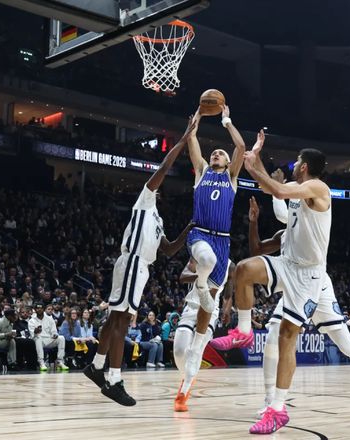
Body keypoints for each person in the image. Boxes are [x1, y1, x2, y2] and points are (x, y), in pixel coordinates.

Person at [210, 137, 350, 433]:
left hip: (312, 279)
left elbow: (277, 189)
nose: (292, 166)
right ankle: (261, 376)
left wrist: (255, 169)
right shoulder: (292, 204)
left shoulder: (318, 188)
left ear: (304, 166)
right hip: (290, 268)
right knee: (246, 273)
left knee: (343, 344)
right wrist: (256, 159)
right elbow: (272, 189)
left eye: (296, 162)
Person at [83, 119, 197, 406]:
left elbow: (168, 250)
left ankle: (96, 366)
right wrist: (183, 140)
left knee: (115, 318)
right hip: (133, 262)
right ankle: (114, 380)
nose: (159, 187)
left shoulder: (158, 219)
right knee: (122, 320)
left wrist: (189, 229)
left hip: (141, 267)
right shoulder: (145, 201)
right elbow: (164, 168)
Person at [182, 105, 247, 391]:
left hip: (222, 241)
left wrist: (227, 121)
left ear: (227, 161)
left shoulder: (231, 177)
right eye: (214, 153)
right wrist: (197, 115)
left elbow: (241, 146)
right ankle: (200, 286)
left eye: (220, 153)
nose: (216, 154)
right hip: (199, 234)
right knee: (205, 261)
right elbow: (191, 138)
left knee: (205, 313)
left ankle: (194, 360)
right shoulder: (201, 171)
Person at [172, 258, 234, 411]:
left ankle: (184, 392)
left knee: (197, 350)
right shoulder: (199, 255)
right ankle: (188, 376)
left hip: (211, 311)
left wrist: (226, 310)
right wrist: (203, 273)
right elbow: (183, 277)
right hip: (191, 307)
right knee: (179, 351)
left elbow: (228, 294)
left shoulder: (230, 265)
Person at [29, 302, 68, 371]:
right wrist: (35, 332)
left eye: (41, 308)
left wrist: (55, 335)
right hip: (38, 340)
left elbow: (54, 331)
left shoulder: (50, 319)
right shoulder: (31, 320)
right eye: (37, 308)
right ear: (35, 310)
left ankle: (60, 361)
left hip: (49, 339)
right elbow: (32, 336)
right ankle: (41, 362)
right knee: (38, 338)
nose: (39, 310)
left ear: (44, 309)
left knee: (61, 338)